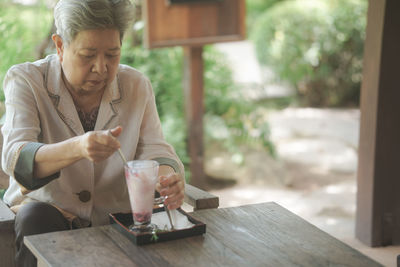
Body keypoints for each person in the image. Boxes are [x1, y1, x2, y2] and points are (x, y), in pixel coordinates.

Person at [1, 0, 185, 266]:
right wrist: (78, 147)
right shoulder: (27, 80)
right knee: (35, 218)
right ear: (60, 46)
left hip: (117, 220)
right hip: (49, 216)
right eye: (88, 55)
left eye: (112, 54)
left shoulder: (135, 85)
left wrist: (166, 180)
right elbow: (16, 157)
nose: (102, 68)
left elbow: (156, 150)